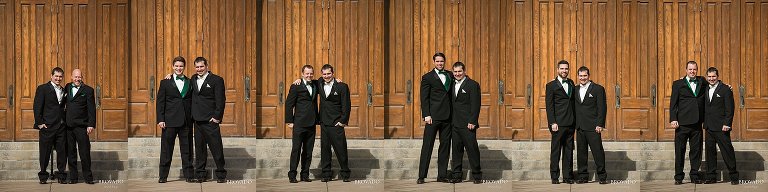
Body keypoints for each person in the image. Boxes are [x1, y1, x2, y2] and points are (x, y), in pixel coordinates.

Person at [156, 56, 195, 183]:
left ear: (184, 67)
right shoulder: (165, 82)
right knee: (166, 150)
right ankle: (163, 176)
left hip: (186, 121)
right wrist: (160, 119)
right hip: (169, 121)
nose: (179, 68)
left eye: (181, 66)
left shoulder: (190, 82)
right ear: (173, 67)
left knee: (187, 150)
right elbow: (160, 102)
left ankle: (189, 176)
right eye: (177, 66)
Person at [417, 52, 453, 184]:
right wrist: (426, 114)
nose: (440, 63)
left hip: (448, 117)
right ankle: (421, 176)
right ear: (434, 62)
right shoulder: (427, 77)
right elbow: (424, 98)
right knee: (427, 146)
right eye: (437, 61)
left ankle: (442, 175)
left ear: (444, 62)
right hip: (433, 117)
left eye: (442, 61)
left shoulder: (450, 75)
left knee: (445, 146)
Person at [190, 57, 227, 183]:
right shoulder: (192, 79)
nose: (199, 69)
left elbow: (221, 100)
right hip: (197, 120)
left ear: (206, 66)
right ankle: (200, 175)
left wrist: (217, 117)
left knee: (216, 148)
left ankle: (221, 174)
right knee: (199, 150)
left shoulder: (217, 80)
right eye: (197, 67)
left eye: (201, 66)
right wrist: (170, 75)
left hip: (210, 121)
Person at [669, 61, 706, 185]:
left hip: (697, 124)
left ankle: (694, 176)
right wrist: (673, 119)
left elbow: (714, 83)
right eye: (690, 69)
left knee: (696, 152)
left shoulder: (702, 81)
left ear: (697, 70)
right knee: (680, 151)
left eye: (694, 69)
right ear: (686, 70)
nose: (692, 71)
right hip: (682, 124)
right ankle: (678, 177)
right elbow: (673, 103)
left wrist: (726, 85)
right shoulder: (678, 84)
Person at [702, 67, 739, 185]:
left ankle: (734, 176)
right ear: (707, 77)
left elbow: (730, 108)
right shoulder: (704, 88)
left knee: (727, 151)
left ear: (718, 76)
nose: (711, 79)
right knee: (710, 152)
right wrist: (683, 78)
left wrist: (727, 124)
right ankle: (711, 177)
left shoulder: (725, 89)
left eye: (714, 76)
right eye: (709, 76)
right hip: (708, 126)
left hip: (722, 127)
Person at [448, 62, 482, 184]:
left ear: (464, 71)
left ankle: (477, 176)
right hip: (455, 124)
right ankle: (457, 175)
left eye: (459, 71)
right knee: (456, 150)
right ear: (453, 72)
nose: (457, 74)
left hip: (468, 124)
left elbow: (476, 104)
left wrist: (472, 121)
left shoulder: (473, 85)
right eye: (455, 72)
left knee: (472, 149)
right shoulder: (451, 84)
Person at [573, 66, 608, 184]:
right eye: (581, 76)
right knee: (581, 153)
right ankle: (583, 176)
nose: (583, 78)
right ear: (578, 76)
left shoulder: (598, 89)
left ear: (589, 76)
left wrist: (600, 124)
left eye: (585, 76)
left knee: (597, 151)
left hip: (593, 127)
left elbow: (602, 108)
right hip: (580, 127)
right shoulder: (575, 89)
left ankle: (602, 176)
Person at [317, 64, 351, 182]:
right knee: (325, 150)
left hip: (336, 123)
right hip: (324, 123)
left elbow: (346, 105)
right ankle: (326, 175)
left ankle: (345, 174)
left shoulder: (342, 86)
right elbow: (309, 81)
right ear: (322, 74)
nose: (326, 76)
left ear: (333, 73)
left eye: (329, 74)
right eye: (324, 74)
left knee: (341, 149)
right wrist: (299, 80)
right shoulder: (319, 83)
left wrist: (343, 121)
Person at [285, 65, 319, 183]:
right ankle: (292, 175)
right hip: (299, 123)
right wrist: (289, 121)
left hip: (312, 123)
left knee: (308, 151)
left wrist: (337, 80)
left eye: (311, 74)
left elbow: (327, 81)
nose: (309, 75)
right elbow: (289, 104)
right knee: (296, 150)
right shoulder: (296, 86)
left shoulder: (316, 84)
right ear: (302, 74)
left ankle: (305, 175)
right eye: (307, 74)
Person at [34, 67, 68, 184]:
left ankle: (62, 176)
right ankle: (43, 176)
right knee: (44, 153)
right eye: (56, 76)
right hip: (47, 127)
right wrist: (40, 123)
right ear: (51, 76)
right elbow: (37, 106)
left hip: (61, 127)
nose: (58, 78)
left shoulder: (64, 90)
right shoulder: (42, 88)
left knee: (62, 153)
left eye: (60, 76)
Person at [545, 60, 576, 184]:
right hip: (558, 124)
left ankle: (567, 176)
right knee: (556, 151)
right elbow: (549, 105)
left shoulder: (572, 83)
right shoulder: (551, 85)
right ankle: (554, 176)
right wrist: (552, 122)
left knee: (568, 151)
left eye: (566, 69)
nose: (564, 71)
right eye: (562, 69)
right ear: (557, 70)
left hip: (570, 123)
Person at [63, 69, 96, 184]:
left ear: (82, 77)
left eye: (79, 77)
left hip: (82, 126)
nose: (77, 79)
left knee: (84, 153)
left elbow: (92, 109)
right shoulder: (67, 87)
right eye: (75, 77)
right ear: (71, 77)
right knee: (71, 153)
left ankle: (88, 177)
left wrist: (91, 124)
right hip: (68, 127)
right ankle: (73, 178)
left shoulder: (88, 90)